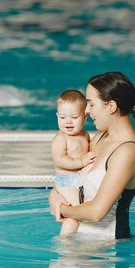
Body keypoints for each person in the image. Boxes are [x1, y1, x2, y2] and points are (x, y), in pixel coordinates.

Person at [49, 72, 135, 240]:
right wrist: (55, 195)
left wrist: (62, 208)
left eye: (91, 104)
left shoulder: (127, 152)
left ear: (111, 106)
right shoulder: (100, 137)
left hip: (107, 251)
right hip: (80, 240)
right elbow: (74, 179)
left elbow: (96, 212)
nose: (86, 111)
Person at [52, 89, 97, 236]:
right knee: (78, 211)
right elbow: (60, 161)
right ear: (57, 116)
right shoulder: (60, 139)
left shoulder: (84, 134)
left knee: (82, 209)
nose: (68, 121)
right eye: (63, 117)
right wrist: (81, 161)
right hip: (66, 182)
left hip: (79, 181)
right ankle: (64, 238)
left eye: (74, 117)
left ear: (84, 118)